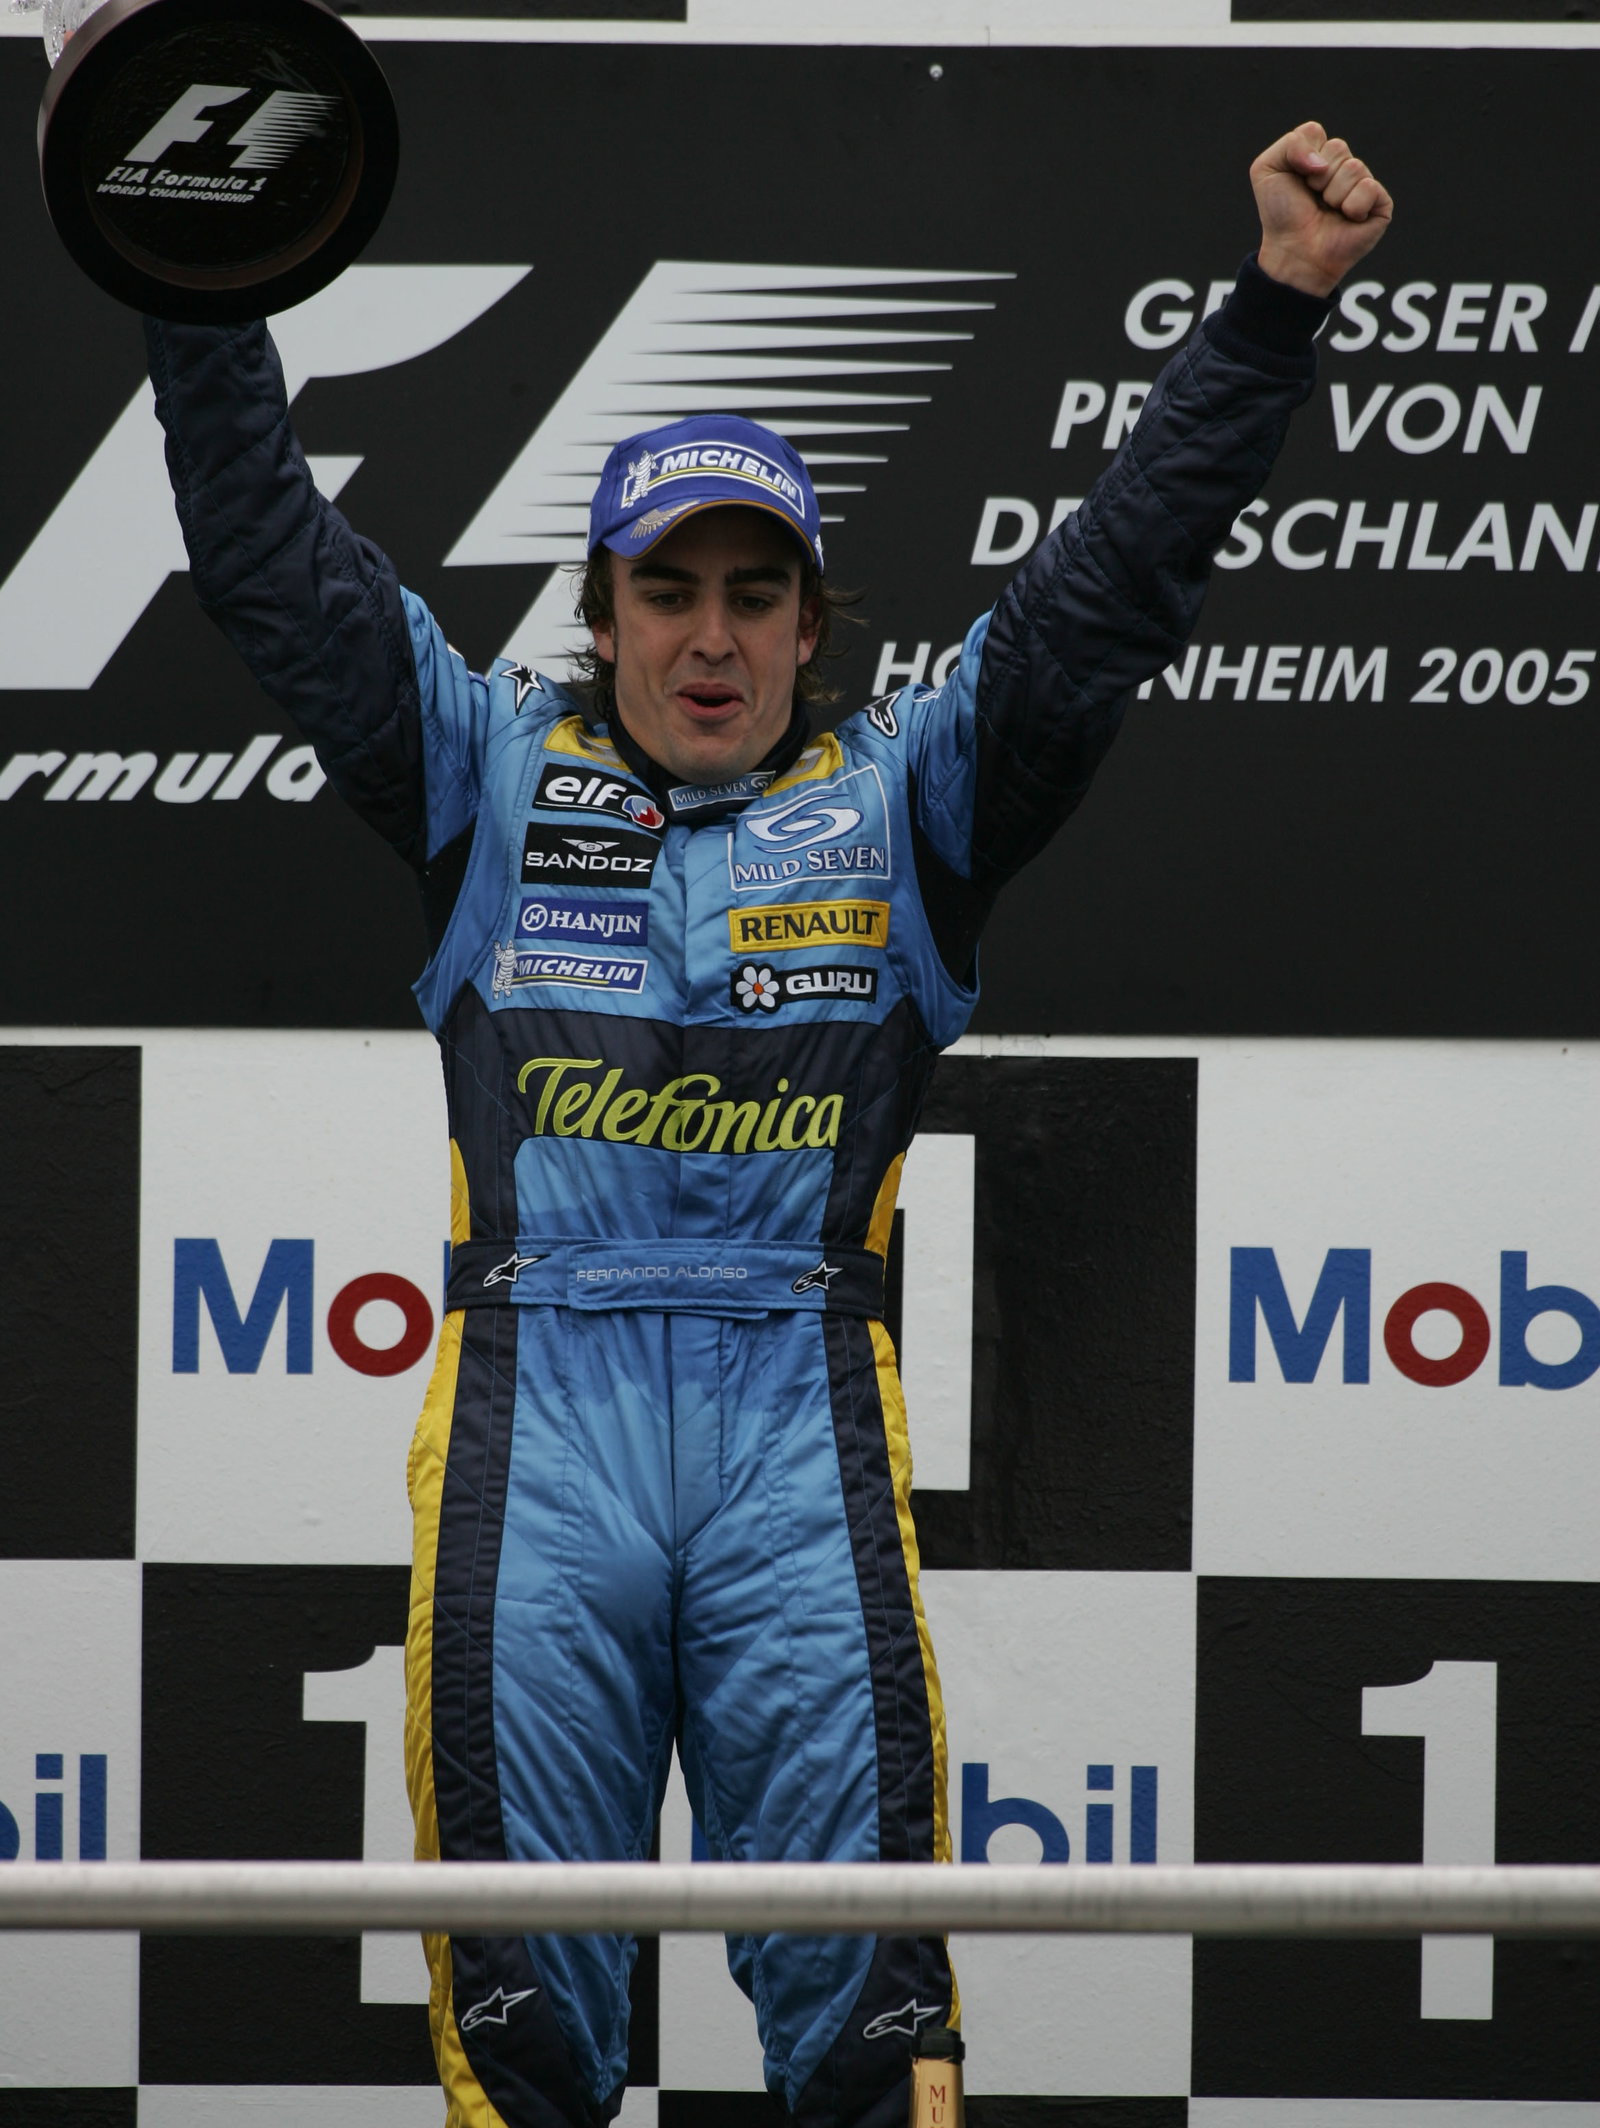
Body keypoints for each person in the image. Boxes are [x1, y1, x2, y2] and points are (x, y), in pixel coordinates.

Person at [144, 122, 1391, 2128]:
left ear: (813, 625)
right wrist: (191, 286)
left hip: (796, 1413)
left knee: (865, 2027)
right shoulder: (477, 763)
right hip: (534, 1412)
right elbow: (266, 565)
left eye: (755, 593)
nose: (710, 636)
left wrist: (1271, 307)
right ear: (605, 610)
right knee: (527, 2035)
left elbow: (1103, 593)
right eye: (669, 590)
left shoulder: (913, 797)